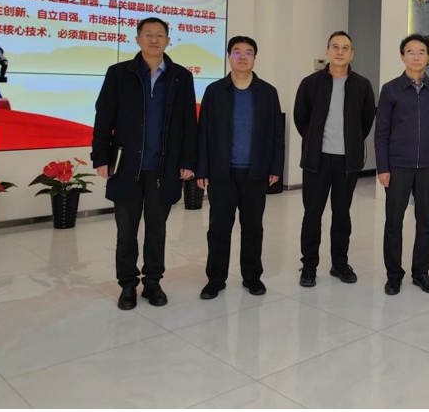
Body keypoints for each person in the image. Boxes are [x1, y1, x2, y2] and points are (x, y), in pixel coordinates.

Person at [91, 17, 197, 310]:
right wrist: (100, 157)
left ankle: (152, 282)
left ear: (168, 40)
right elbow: (104, 117)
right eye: (148, 34)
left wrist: (188, 160)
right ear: (137, 39)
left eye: (159, 35)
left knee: (157, 230)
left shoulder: (181, 76)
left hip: (164, 167)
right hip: (126, 166)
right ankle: (127, 285)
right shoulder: (118, 73)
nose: (153, 39)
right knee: (126, 231)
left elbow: (189, 122)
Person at [196, 36, 284, 300]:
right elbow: (203, 133)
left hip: (255, 172)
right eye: (237, 52)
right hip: (222, 172)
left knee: (253, 227)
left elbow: (277, 134)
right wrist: (202, 169)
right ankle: (215, 279)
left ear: (255, 58)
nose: (243, 57)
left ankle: (252, 277)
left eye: (248, 52)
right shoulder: (215, 91)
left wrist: (275, 167)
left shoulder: (267, 92)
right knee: (219, 229)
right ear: (229, 57)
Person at [294, 31, 376, 287]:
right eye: (335, 47)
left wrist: (351, 142)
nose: (340, 52)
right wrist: (314, 140)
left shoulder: (362, 85)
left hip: (347, 162)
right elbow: (300, 118)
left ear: (352, 54)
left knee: (342, 214)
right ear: (327, 51)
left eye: (345, 48)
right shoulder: (310, 83)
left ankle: (339, 263)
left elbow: (366, 120)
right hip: (316, 160)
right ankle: (309, 266)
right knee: (312, 214)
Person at [375, 34, 429, 296]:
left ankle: (421, 273)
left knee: (425, 222)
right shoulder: (390, 89)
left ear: (428, 56)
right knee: (394, 221)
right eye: (411, 52)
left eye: (421, 52)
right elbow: (381, 132)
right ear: (402, 56)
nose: (416, 57)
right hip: (398, 165)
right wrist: (382, 167)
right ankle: (394, 275)